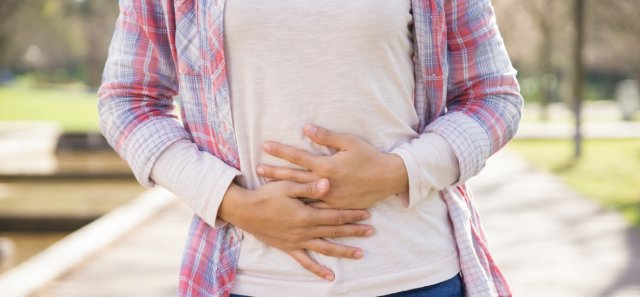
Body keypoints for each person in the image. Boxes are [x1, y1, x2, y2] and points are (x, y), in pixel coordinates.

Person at [98, 0, 523, 296]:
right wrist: (230, 201)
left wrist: (399, 171)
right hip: (250, 281)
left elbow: (493, 96)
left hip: (417, 278)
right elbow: (128, 102)